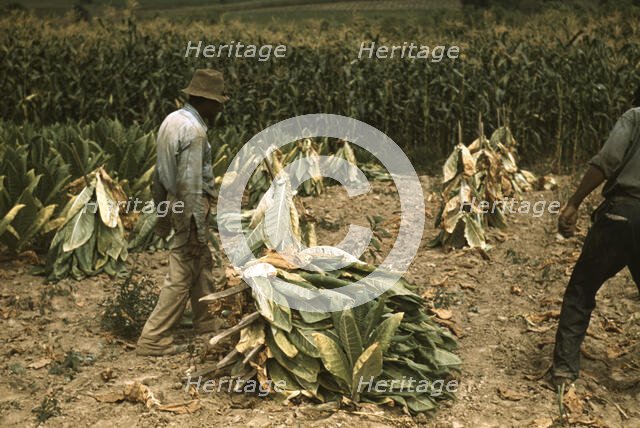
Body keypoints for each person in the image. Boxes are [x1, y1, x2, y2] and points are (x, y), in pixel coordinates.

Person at [136, 69, 229, 356]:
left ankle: (207, 321)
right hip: (191, 206)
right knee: (182, 269)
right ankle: (154, 339)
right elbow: (189, 185)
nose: (218, 109)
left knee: (201, 262)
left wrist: (162, 210)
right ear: (205, 101)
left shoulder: (172, 120)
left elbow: (159, 173)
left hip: (177, 203)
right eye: (216, 103)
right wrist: (197, 228)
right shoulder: (195, 131)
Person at [552, 91, 640, 385]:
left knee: (581, 290)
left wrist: (574, 202)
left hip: (620, 215)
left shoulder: (634, 117)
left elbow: (606, 161)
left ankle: (564, 371)